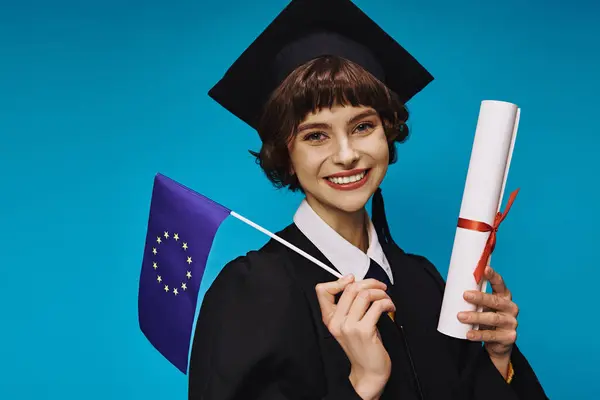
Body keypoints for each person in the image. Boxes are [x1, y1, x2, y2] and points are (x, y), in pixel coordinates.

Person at [188, 0, 548, 399]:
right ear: (286, 156)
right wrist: (363, 384)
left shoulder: (421, 281)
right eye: (315, 135)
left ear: (387, 133)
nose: (346, 154)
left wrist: (498, 358)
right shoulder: (254, 292)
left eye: (362, 126)